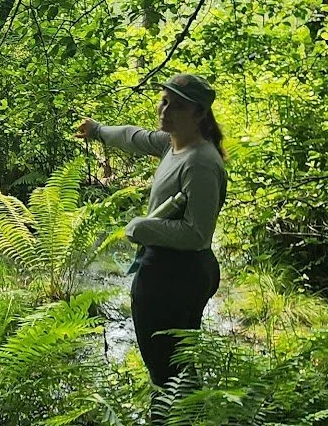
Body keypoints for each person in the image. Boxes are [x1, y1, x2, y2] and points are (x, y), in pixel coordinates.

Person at [74, 73, 228, 388]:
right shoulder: (173, 145)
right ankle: (186, 421)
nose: (164, 110)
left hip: (177, 274)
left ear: (199, 114)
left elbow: (197, 234)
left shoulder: (201, 163)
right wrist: (98, 131)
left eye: (176, 106)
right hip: (168, 269)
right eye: (164, 101)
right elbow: (134, 137)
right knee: (177, 360)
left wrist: (144, 228)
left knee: (165, 366)